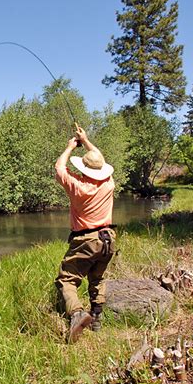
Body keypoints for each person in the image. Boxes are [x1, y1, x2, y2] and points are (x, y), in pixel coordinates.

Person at [54, 125, 116, 343]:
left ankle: (77, 314)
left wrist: (71, 146)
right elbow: (100, 159)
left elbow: (60, 168)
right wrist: (86, 140)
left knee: (66, 279)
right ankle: (96, 319)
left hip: (86, 239)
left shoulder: (77, 186)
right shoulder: (109, 184)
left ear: (84, 169)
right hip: (109, 239)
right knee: (97, 278)